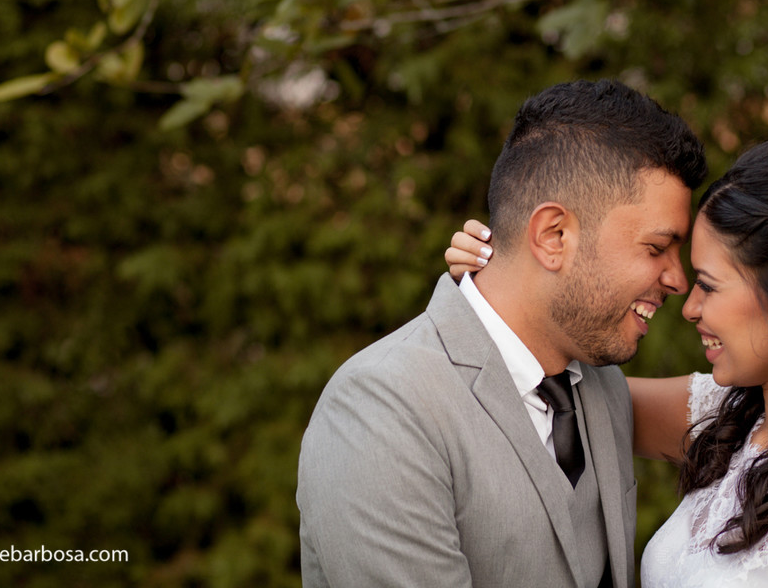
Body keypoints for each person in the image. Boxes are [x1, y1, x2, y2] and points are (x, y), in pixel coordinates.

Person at [448, 132, 768, 588]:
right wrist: (507, 278)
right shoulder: (728, 414)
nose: (689, 307)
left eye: (708, 284)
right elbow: (545, 387)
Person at [297, 79, 708, 588]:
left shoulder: (601, 387)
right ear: (553, 236)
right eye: (657, 247)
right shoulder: (381, 407)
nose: (678, 279)